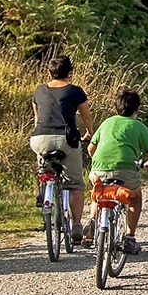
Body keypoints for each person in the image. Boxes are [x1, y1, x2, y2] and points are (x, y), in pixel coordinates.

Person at [85, 88, 148, 253]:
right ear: (136, 109)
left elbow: (91, 148)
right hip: (126, 170)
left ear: (116, 107)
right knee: (135, 197)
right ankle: (130, 238)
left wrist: (99, 162)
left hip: (99, 169)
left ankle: (92, 220)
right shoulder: (138, 126)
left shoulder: (107, 122)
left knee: (99, 192)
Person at [28, 54, 92, 242]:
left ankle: (43, 186)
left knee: (44, 165)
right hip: (66, 139)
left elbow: (37, 119)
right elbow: (86, 117)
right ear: (70, 72)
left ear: (49, 71)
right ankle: (78, 225)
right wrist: (89, 134)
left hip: (40, 138)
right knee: (74, 183)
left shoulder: (39, 91)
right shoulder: (76, 91)